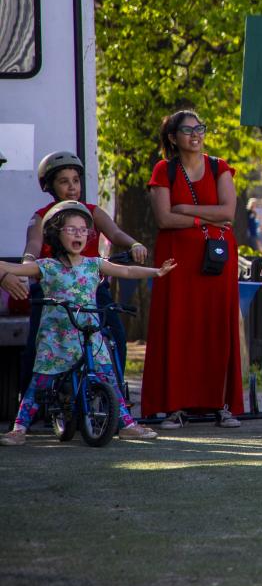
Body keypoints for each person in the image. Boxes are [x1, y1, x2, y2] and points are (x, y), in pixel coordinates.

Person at [1, 201, 175, 445]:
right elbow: (11, 267)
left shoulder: (94, 264)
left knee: (108, 377)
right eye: (71, 229)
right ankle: (19, 428)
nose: (79, 234)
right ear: (54, 233)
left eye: (83, 230)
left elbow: (125, 272)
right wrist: (3, 272)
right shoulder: (46, 267)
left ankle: (126, 424)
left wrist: (155, 272)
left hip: (89, 334)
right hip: (56, 337)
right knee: (39, 383)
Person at [3, 150, 148, 397]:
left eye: (76, 180)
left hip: (91, 288)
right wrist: (29, 262)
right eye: (63, 181)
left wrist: (133, 244)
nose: (72, 187)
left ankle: (116, 395)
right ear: (49, 186)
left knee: (116, 334)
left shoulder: (92, 212)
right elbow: (33, 246)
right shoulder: (42, 217)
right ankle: (30, 400)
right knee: (39, 343)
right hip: (54, 288)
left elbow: (115, 233)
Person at [142, 110, 245, 429]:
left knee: (216, 327)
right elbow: (164, 219)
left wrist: (186, 209)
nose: (195, 134)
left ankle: (221, 405)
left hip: (216, 261)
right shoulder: (164, 170)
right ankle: (174, 406)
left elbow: (228, 212)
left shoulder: (219, 167)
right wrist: (204, 219)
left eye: (199, 128)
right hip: (177, 262)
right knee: (178, 328)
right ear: (173, 138)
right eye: (187, 130)